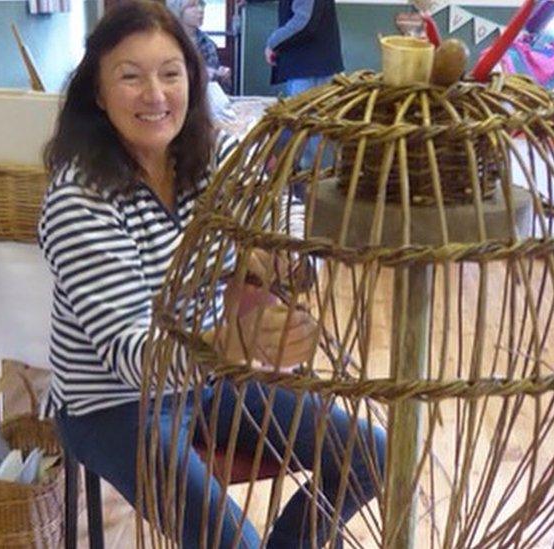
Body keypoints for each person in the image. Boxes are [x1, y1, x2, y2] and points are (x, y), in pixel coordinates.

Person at [39, 2, 385, 547]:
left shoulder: (214, 155)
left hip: (206, 380)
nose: (155, 95)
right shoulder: (79, 199)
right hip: (113, 405)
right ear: (99, 96)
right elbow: (133, 357)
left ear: (193, 82)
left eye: (170, 74)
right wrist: (228, 340)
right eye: (130, 77)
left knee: (372, 453)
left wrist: (290, 259)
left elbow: (284, 212)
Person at [263, 0, 343, 98]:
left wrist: (273, 43)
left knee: (306, 112)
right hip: (311, 66)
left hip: (309, 69)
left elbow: (303, 23)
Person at [166, 0, 231, 88]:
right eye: (192, 6)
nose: (200, 10)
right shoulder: (167, 41)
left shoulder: (207, 43)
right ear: (177, 10)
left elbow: (214, 85)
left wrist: (222, 76)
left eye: (201, 4)